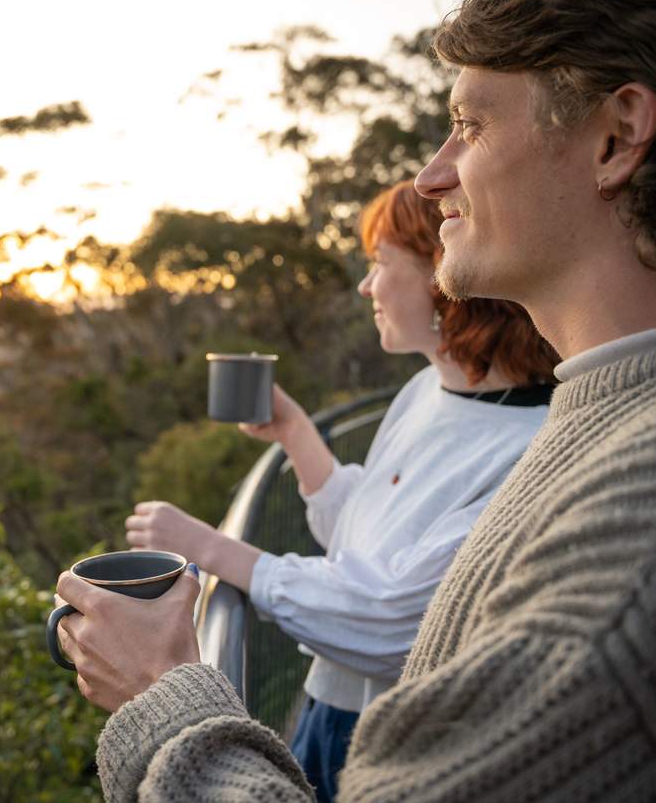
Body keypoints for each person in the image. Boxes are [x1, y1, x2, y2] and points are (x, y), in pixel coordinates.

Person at [53, 0, 656, 800]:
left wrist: (161, 694)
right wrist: (299, 438)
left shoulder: (642, 557)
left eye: (470, 124)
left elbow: (389, 615)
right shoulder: (610, 413)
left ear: (616, 134)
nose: (432, 173)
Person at [122, 179, 556, 803]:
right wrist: (296, 433)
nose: (366, 286)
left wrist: (213, 549)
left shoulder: (527, 445)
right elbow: (366, 534)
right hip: (330, 708)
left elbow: (391, 623)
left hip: (392, 737)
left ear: (443, 280)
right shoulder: (426, 390)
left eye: (380, 265)